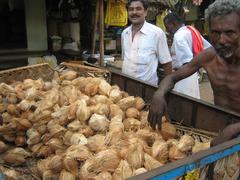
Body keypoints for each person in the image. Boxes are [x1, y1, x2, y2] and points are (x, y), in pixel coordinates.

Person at [148, 0, 240, 146]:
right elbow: (173, 77)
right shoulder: (209, 56)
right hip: (220, 128)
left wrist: (234, 130)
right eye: (215, 33)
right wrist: (159, 94)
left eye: (230, 33)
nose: (222, 40)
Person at [121, 0, 172, 86]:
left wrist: (165, 89)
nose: (134, 12)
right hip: (126, 86)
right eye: (131, 9)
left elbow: (167, 64)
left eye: (138, 9)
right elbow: (125, 60)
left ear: (145, 12)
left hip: (147, 89)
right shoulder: (125, 33)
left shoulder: (156, 33)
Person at [164, 12, 212, 99]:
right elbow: (208, 48)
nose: (167, 31)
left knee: (182, 101)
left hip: (183, 76)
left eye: (167, 27)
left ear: (174, 24)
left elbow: (187, 62)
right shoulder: (191, 30)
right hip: (192, 75)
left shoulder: (179, 36)